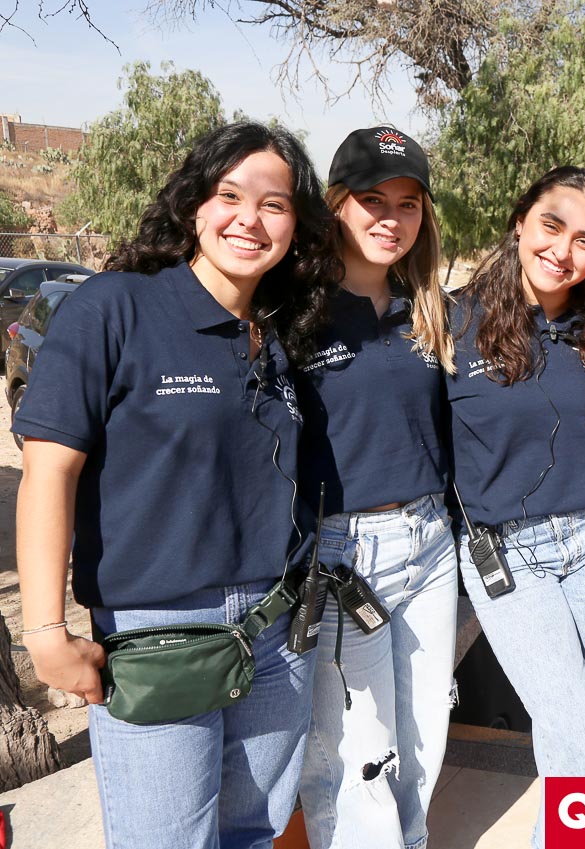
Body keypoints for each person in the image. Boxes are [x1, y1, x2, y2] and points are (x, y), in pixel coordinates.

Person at [13, 121, 340, 849]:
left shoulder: (274, 333)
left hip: (277, 630)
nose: (249, 219)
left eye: (275, 204)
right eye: (230, 196)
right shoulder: (115, 307)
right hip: (157, 634)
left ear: (296, 226)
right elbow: (48, 471)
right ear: (194, 206)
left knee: (253, 832)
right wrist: (44, 632)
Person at [447, 165, 585, 849]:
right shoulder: (452, 322)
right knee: (571, 729)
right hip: (508, 557)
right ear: (520, 222)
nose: (563, 251)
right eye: (552, 226)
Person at [295, 127, 457, 849]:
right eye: (372, 200)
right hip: (341, 555)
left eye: (408, 203)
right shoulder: (296, 312)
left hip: (431, 544)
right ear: (337, 204)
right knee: (360, 756)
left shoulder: (431, 309)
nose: (391, 218)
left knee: (423, 737)